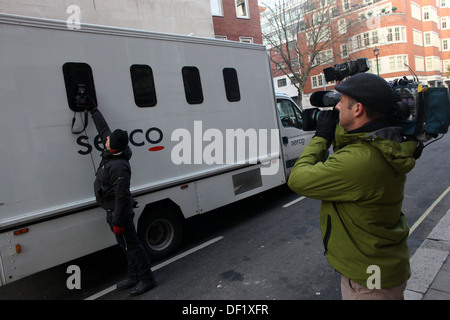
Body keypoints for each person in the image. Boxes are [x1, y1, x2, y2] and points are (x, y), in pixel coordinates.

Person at [288, 73, 418, 300]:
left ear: (357, 109)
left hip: (371, 281)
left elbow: (297, 179)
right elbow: (356, 139)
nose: (336, 106)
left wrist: (321, 136)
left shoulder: (360, 161)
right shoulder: (380, 142)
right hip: (377, 265)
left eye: (341, 101)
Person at [87, 102, 157, 296]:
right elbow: (104, 129)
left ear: (114, 147)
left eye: (108, 140)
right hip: (112, 212)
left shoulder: (119, 167)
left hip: (120, 214)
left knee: (133, 246)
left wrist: (117, 221)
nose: (105, 139)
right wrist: (94, 111)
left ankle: (146, 279)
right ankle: (133, 276)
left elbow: (122, 196)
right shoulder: (112, 151)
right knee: (126, 246)